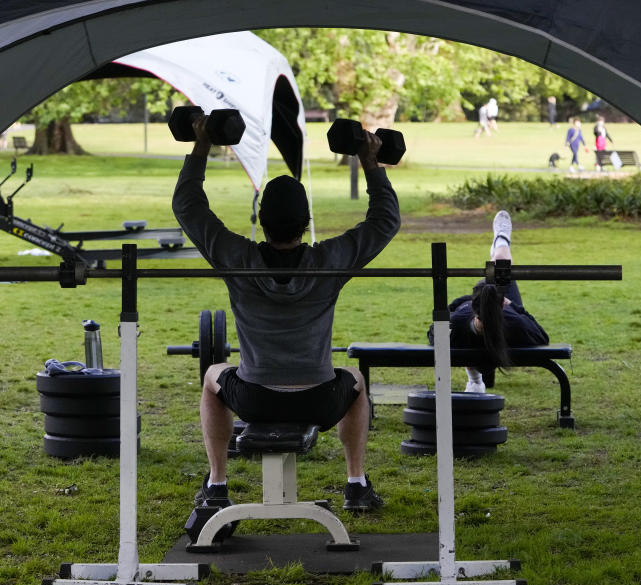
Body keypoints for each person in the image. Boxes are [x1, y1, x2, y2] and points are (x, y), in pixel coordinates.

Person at [172, 115, 400, 512]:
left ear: (262, 222)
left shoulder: (238, 259)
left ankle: (217, 484)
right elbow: (385, 221)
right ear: (305, 223)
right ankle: (356, 484)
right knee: (356, 380)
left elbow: (188, 206)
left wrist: (202, 142)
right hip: (320, 399)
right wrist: (369, 161)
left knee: (213, 376)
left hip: (254, 398)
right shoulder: (329, 262)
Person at [428, 210, 549, 393]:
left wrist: (457, 307)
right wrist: (514, 307)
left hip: (474, 323)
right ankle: (501, 240)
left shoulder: (459, 320)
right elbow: (541, 336)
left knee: (498, 269)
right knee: (501, 263)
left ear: (474, 304)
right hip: (501, 320)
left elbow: (433, 332)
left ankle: (476, 380)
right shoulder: (514, 322)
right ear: (502, 303)